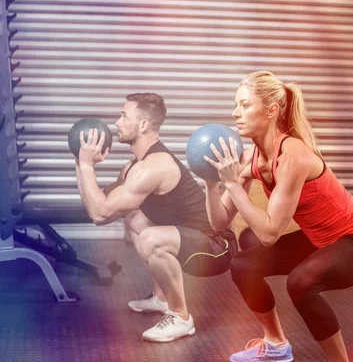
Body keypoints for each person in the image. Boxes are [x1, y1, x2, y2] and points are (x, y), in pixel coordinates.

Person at [203, 71, 353, 362]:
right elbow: (218, 222)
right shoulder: (250, 157)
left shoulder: (294, 156)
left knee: (301, 282)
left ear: (271, 110)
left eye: (244, 105)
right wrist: (212, 182)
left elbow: (271, 231)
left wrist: (232, 185)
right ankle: (275, 343)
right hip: (320, 237)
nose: (235, 114)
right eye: (235, 105)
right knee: (243, 263)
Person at [75, 92, 236, 343]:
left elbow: (100, 214)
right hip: (190, 238)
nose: (116, 123)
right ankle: (162, 298)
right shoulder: (133, 167)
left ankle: (180, 317)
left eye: (123, 116)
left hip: (217, 247)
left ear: (143, 125)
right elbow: (100, 201)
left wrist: (86, 167)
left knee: (151, 238)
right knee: (134, 220)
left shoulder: (154, 166)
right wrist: (81, 162)